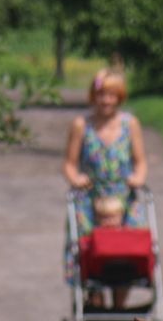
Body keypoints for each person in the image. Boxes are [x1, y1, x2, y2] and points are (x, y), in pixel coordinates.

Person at [63, 67, 149, 304]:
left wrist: (138, 178)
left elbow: (141, 163)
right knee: (89, 250)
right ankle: (95, 302)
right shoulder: (82, 125)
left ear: (119, 97)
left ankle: (119, 307)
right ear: (94, 96)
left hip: (123, 196)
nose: (106, 101)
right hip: (90, 197)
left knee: (129, 248)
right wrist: (76, 179)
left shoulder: (130, 124)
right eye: (102, 94)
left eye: (112, 95)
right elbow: (69, 165)